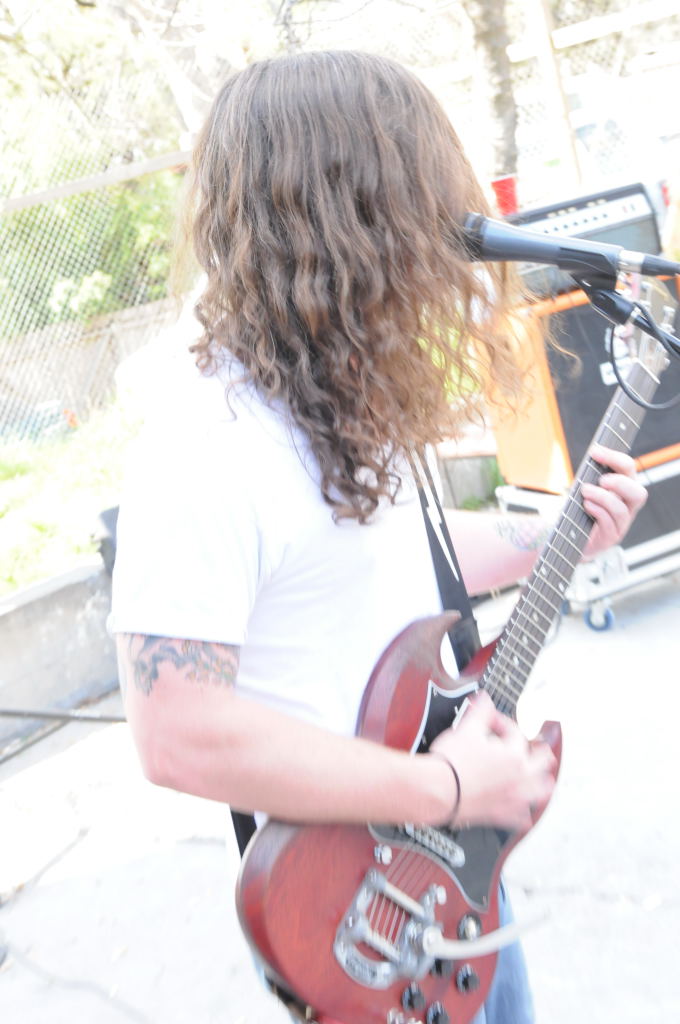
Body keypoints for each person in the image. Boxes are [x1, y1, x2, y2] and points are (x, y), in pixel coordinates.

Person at [110, 51, 646, 1024]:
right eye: (421, 195)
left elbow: (392, 558)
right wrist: (444, 785)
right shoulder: (205, 440)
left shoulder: (333, 381)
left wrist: (556, 535)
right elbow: (176, 730)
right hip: (361, 906)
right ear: (352, 213)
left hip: (448, 863)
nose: (448, 227)